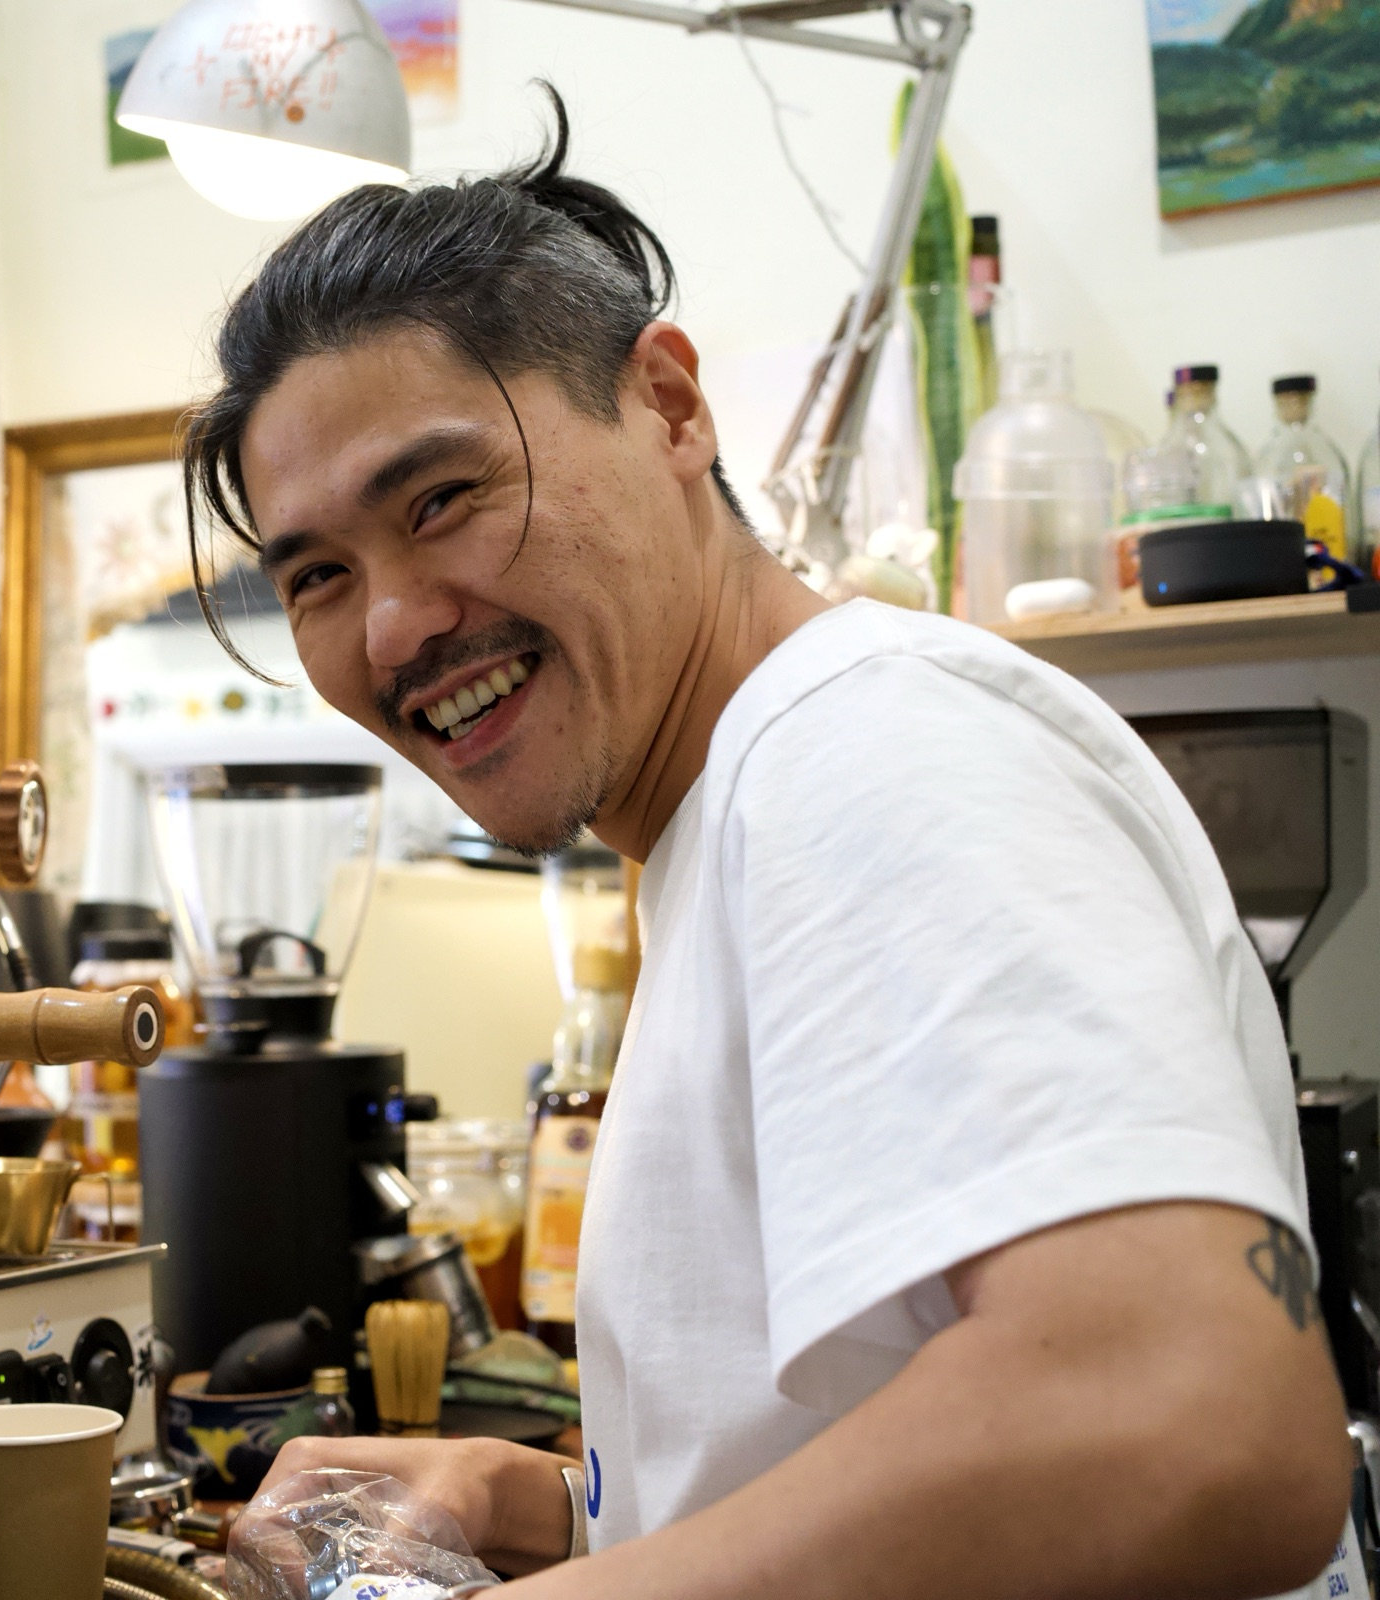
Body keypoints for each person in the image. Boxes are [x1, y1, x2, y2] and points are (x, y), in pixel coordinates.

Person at [201, 92, 1348, 1596]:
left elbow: (1195, 1416)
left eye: (443, 497)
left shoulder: (865, 749)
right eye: (318, 578)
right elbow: (867, 1473)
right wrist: (536, 1502)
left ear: (670, 408)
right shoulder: (731, 812)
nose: (395, 627)